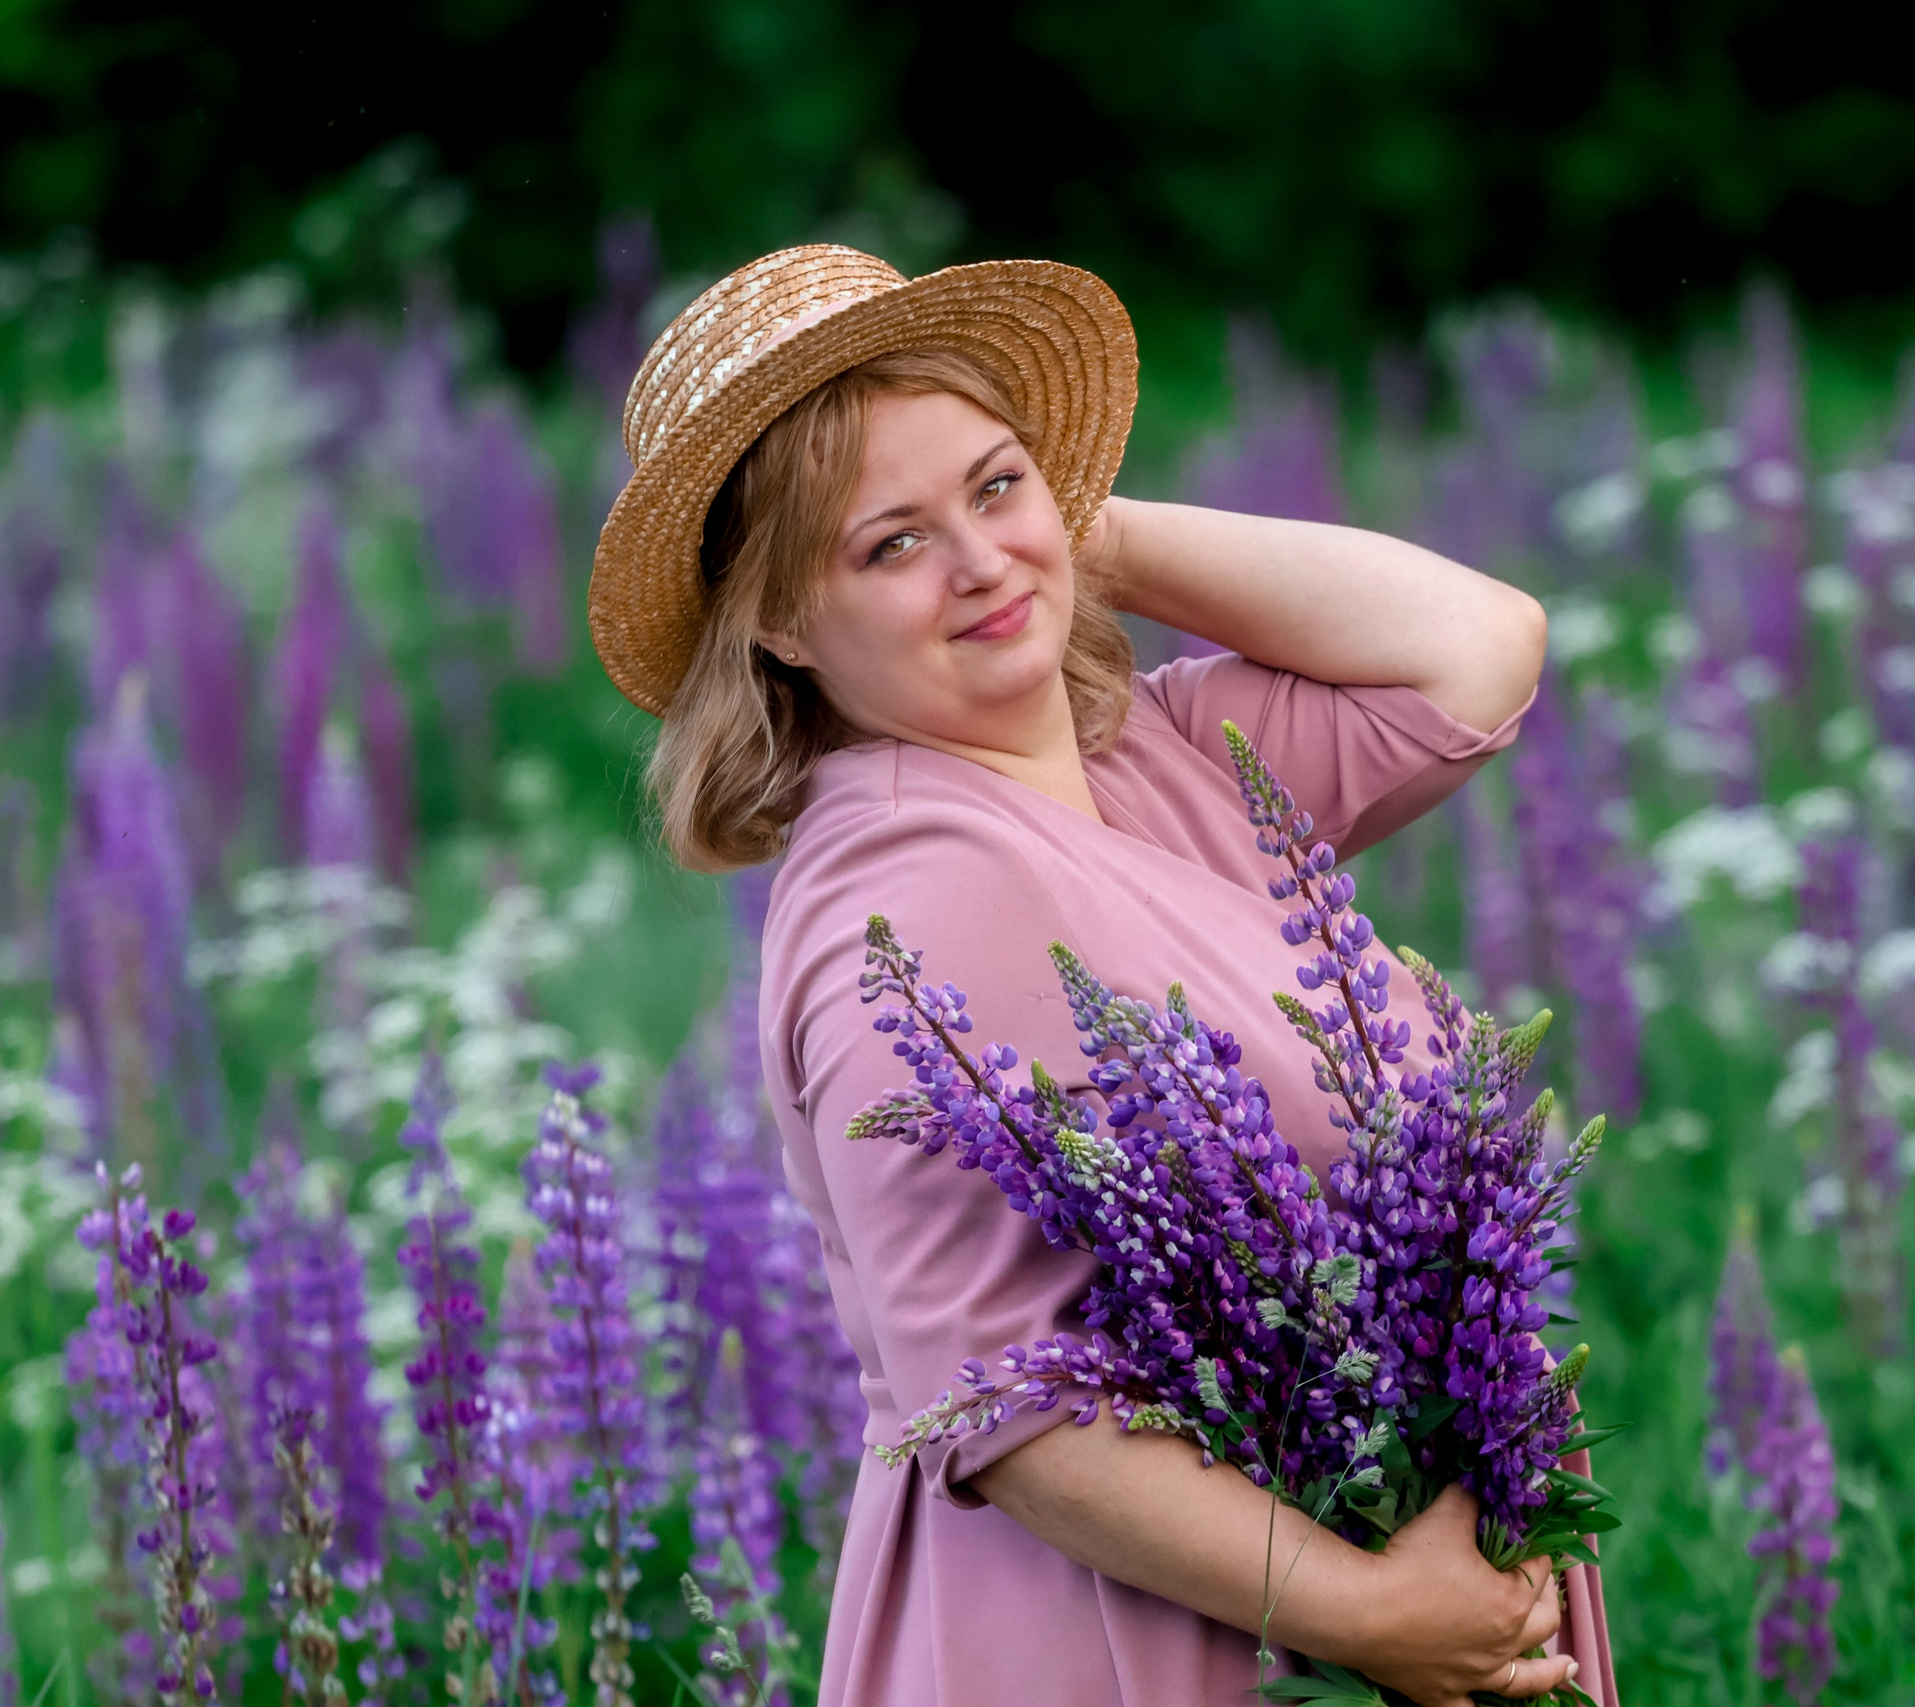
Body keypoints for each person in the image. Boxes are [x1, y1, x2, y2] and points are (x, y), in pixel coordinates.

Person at [589, 245, 1613, 1707]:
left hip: (1386, 1614)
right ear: (779, 625)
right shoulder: (915, 886)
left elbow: (1479, 653)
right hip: (1152, 1647)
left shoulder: (1156, 753)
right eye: (890, 545)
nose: (981, 564)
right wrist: (1370, 1616)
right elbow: (1003, 1407)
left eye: (998, 487)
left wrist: (1071, 529)